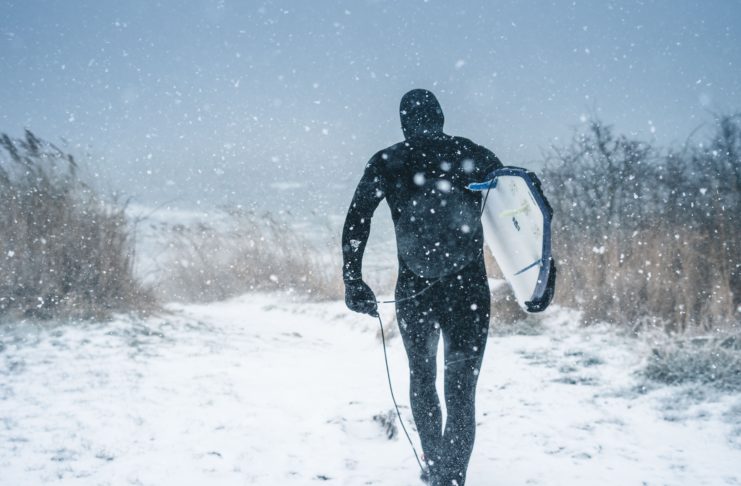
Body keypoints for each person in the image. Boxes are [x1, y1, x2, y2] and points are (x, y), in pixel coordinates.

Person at [341, 89, 503, 486]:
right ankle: (451, 478)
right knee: (461, 389)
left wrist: (352, 279)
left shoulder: (388, 161)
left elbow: (358, 220)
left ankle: (435, 468)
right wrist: (541, 271)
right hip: (469, 290)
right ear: (442, 117)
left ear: (403, 122)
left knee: (422, 377)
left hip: (416, 289)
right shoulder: (474, 155)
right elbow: (519, 207)